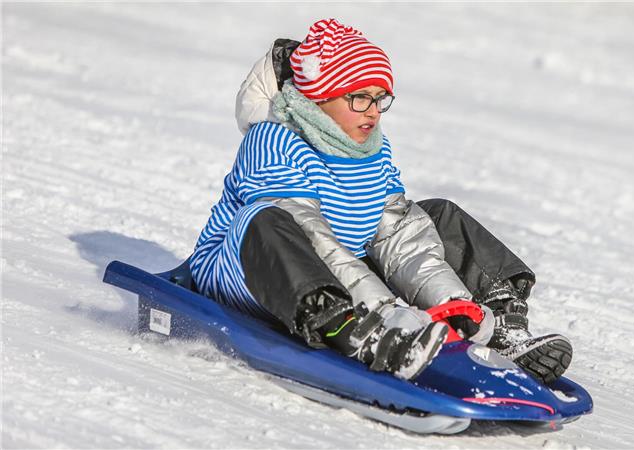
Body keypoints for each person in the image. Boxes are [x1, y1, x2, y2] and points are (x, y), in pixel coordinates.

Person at [190, 18, 572, 382]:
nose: (372, 112)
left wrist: (453, 305)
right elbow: (312, 238)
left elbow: (398, 237)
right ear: (319, 99)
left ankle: (501, 326)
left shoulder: (372, 148)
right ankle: (352, 331)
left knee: (436, 215)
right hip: (248, 270)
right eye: (358, 98)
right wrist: (382, 312)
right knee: (268, 217)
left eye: (379, 99)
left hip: (340, 268)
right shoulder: (272, 141)